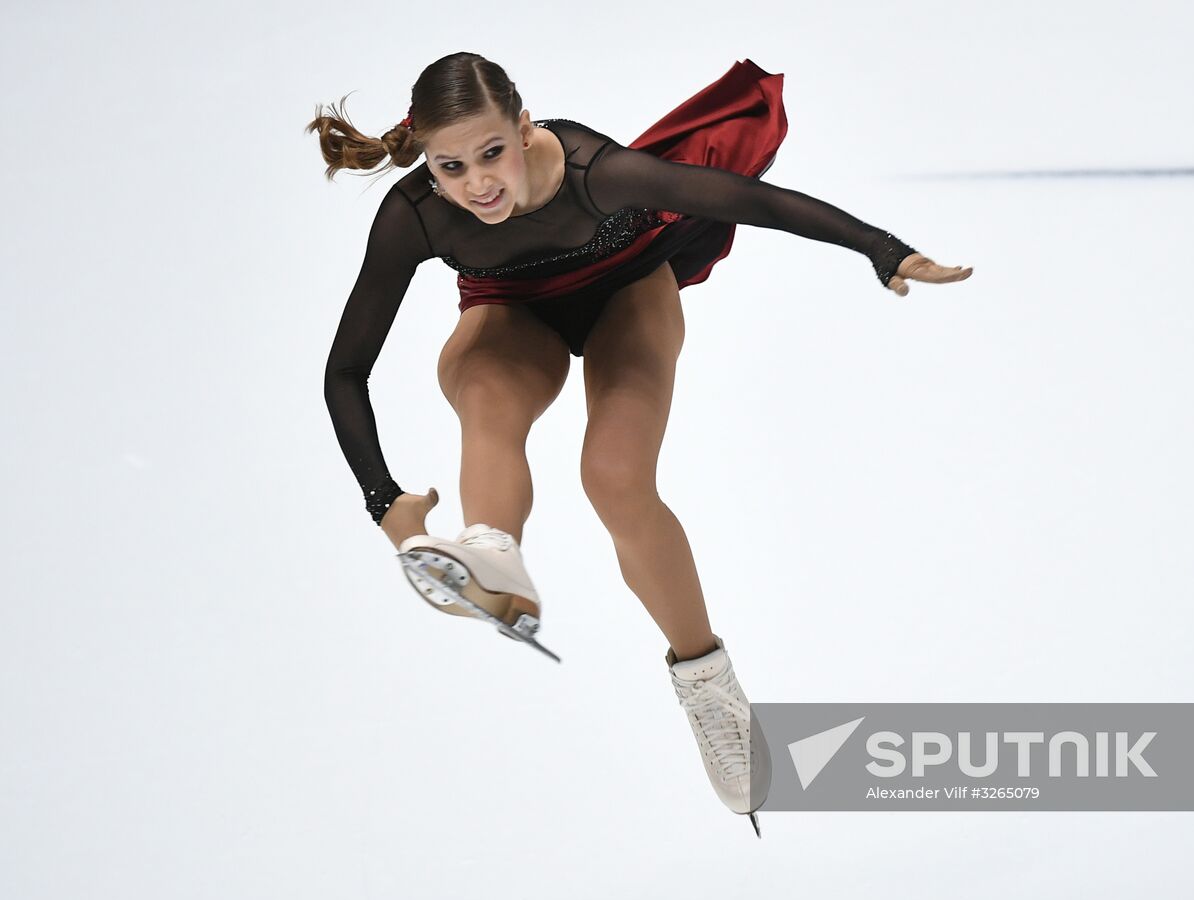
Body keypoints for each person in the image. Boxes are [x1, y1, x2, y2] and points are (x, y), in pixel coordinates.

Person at [306, 53, 973, 834]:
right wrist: (385, 502)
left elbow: (754, 201)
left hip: (627, 291)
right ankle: (491, 551)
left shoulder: (598, 171)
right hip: (509, 314)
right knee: (484, 394)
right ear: (427, 158)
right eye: (451, 167)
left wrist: (881, 246)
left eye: (492, 153)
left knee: (616, 479)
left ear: (524, 130)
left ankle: (709, 685)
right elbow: (346, 369)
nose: (477, 184)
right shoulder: (415, 212)